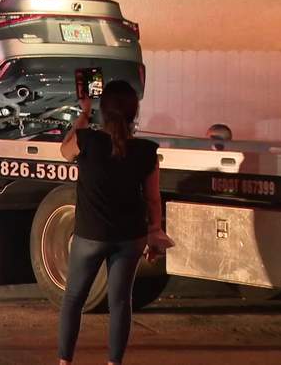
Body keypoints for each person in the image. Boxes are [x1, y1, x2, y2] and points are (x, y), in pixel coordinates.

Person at [58, 80, 174, 365]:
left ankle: (64, 362)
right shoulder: (147, 151)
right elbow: (153, 199)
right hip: (130, 238)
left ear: (103, 111)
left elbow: (63, 150)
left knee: (74, 299)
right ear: (134, 113)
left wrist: (83, 113)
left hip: (90, 236)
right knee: (121, 303)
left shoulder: (87, 141)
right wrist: (154, 232)